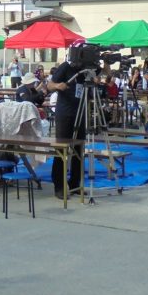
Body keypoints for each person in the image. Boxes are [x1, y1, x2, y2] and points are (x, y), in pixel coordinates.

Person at [46, 50, 98, 199]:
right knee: (62, 149)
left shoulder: (87, 69)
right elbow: (49, 85)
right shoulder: (65, 67)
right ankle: (59, 186)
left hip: (80, 113)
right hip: (65, 114)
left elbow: (103, 73)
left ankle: (75, 184)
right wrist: (58, 86)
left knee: (79, 150)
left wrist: (107, 62)